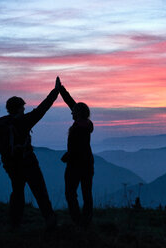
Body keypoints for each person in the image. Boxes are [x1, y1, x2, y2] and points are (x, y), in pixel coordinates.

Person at [0, 78, 61, 230]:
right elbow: (42, 108)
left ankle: (14, 224)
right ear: (18, 108)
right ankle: (50, 222)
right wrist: (55, 91)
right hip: (28, 163)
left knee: (17, 192)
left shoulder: (1, 123)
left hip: (11, 165)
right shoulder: (25, 121)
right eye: (23, 108)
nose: (24, 110)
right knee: (40, 192)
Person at [57, 77, 94, 227]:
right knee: (87, 193)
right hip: (88, 164)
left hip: (75, 165)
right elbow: (72, 104)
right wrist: (61, 90)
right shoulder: (87, 123)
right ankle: (86, 220)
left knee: (70, 193)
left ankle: (77, 220)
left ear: (77, 114)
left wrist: (66, 156)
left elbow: (76, 149)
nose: (71, 114)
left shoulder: (79, 128)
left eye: (73, 112)